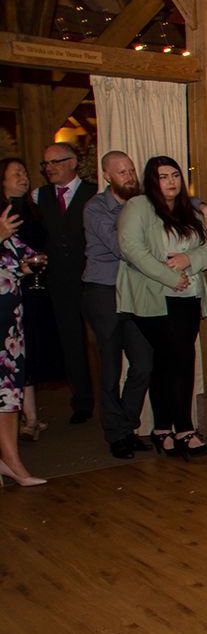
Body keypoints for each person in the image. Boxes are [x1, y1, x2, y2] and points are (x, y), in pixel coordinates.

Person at [117, 156, 207, 459]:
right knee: (180, 359)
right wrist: (171, 276)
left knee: (167, 361)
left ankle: (162, 430)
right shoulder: (139, 206)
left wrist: (190, 261)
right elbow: (131, 248)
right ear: (151, 180)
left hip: (190, 295)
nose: (171, 181)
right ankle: (185, 430)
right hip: (153, 296)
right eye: (163, 176)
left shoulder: (188, 209)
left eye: (175, 175)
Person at [82, 151, 156, 458]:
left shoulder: (142, 202)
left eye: (131, 170)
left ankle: (126, 425)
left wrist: (202, 207)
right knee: (110, 367)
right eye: (122, 172)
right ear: (108, 176)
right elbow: (122, 246)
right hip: (104, 290)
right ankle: (116, 435)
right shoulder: (96, 208)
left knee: (144, 363)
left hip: (134, 292)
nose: (129, 176)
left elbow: (177, 206)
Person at [36, 142, 96, 424]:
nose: (50, 168)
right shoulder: (39, 197)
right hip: (59, 282)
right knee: (71, 342)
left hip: (93, 279)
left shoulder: (94, 193)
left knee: (106, 341)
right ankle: (82, 401)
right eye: (46, 164)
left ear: (73, 162)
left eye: (56, 162)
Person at [1, 157, 54, 442]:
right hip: (7, 294)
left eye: (25, 172)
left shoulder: (31, 209)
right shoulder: (4, 214)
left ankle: (31, 417)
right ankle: (25, 420)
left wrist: (35, 260)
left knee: (27, 349)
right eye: (16, 173)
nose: (24, 177)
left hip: (30, 287)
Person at [0, 205, 47, 486]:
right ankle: (14, 466)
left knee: (7, 400)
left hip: (9, 327)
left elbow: (22, 260)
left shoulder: (5, 228)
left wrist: (29, 265)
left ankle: (11, 463)